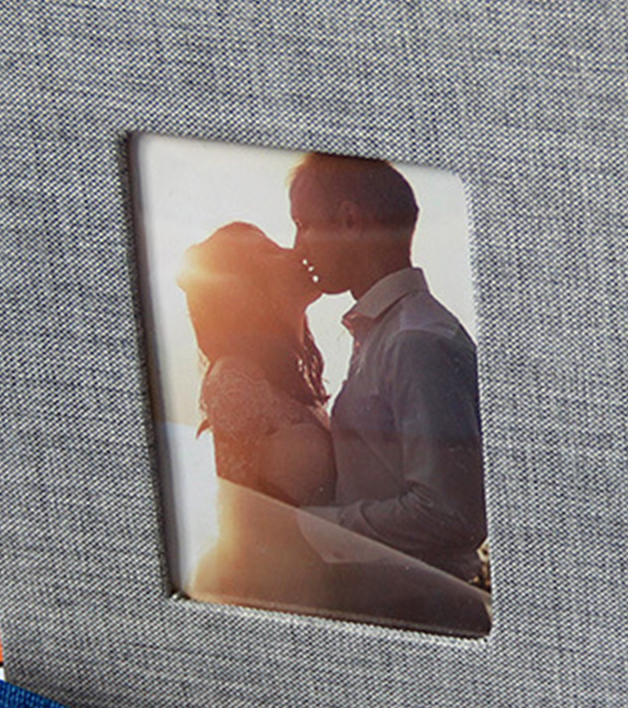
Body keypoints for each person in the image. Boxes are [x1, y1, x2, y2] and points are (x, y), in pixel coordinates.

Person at [289, 151, 486, 585]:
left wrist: (314, 527)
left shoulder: (416, 342)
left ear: (349, 221)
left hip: (423, 602)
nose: (298, 246)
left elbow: (450, 514)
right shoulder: (389, 334)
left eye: (303, 225)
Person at [177, 221, 334, 509]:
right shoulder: (235, 377)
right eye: (270, 252)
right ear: (245, 289)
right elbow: (237, 507)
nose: (293, 252)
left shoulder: (291, 379)